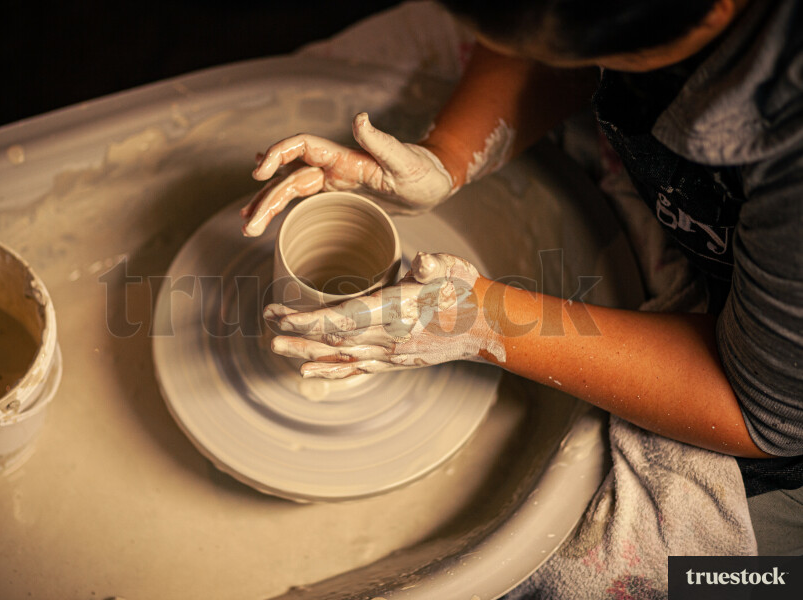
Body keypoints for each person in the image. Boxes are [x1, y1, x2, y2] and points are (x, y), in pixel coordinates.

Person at [241, 0, 802, 491]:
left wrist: (475, 321)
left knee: (694, 581)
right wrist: (448, 157)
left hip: (756, 396)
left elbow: (766, 412)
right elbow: (547, 30)